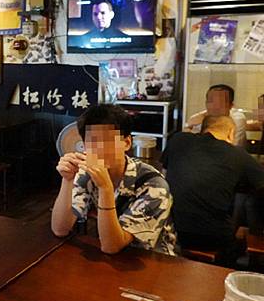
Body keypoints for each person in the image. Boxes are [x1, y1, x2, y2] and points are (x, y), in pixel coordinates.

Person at [51, 104, 177, 256]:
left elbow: (111, 246)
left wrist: (105, 188)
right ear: (84, 146)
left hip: (153, 259)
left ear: (127, 143)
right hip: (111, 255)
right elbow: (60, 229)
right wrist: (68, 180)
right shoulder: (86, 174)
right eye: (93, 142)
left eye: (108, 141)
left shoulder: (154, 186)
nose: (100, 149)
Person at [162, 116, 264, 264]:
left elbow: (165, 176)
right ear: (231, 133)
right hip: (210, 238)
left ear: (202, 130)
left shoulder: (178, 140)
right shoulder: (237, 154)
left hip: (169, 227)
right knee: (240, 236)